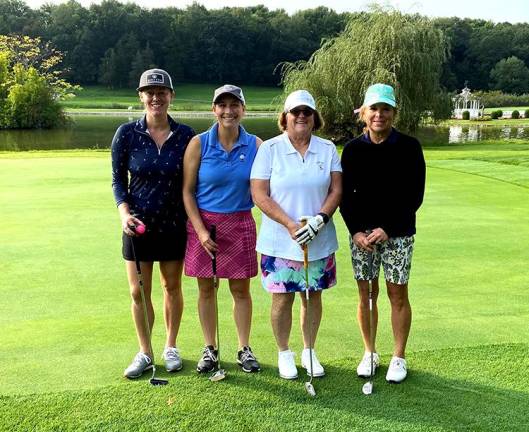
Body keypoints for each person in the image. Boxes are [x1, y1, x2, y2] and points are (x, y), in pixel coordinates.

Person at [250, 90, 342, 379]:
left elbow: (336, 190)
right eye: (295, 112)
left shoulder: (327, 149)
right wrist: (290, 224)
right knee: (282, 299)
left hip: (319, 238)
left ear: (315, 118)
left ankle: (309, 351)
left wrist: (320, 219)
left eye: (307, 112)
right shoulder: (270, 149)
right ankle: (284, 353)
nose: (301, 116)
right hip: (280, 241)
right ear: (285, 117)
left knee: (313, 296)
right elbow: (259, 194)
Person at [111, 68, 195, 379]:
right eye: (150, 92)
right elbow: (118, 181)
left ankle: (170, 347)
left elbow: (191, 183)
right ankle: (145, 352)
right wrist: (123, 213)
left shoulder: (186, 135)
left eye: (162, 92)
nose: (156, 97)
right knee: (137, 291)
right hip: (137, 225)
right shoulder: (127, 133)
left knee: (170, 286)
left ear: (171, 96)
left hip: (173, 223)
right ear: (141, 96)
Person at [340, 83, 426, 383]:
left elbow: (414, 195)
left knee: (396, 294)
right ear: (363, 112)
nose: (379, 114)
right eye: (374, 108)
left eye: (385, 109)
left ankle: (398, 357)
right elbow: (345, 197)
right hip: (362, 237)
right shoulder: (352, 150)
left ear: (394, 113)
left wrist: (387, 229)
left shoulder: (409, 147)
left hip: (398, 234)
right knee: (367, 295)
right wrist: (355, 232)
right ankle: (370, 352)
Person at [183, 84, 262, 374]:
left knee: (241, 290)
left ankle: (244, 348)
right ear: (214, 109)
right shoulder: (199, 143)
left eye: (234, 105)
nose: (228, 111)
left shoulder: (255, 145)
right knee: (206, 289)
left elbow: (266, 188)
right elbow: (187, 192)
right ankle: (210, 348)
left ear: (243, 109)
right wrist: (201, 231)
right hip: (204, 225)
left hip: (240, 221)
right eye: (222, 105)